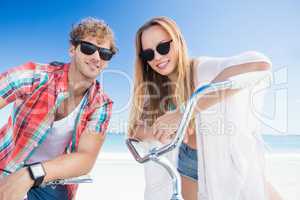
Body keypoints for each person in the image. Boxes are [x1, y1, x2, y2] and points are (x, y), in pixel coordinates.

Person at [128, 16, 282, 200]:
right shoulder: (157, 90)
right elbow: (135, 131)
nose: (158, 57)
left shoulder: (201, 68)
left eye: (163, 47)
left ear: (178, 41)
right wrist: (159, 133)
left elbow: (260, 64)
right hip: (185, 164)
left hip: (226, 160)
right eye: (148, 54)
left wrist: (183, 112)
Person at [0, 17, 117, 200]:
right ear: (72, 49)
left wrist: (31, 174)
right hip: (6, 162)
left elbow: (85, 158)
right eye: (88, 48)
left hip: (49, 176)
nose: (96, 57)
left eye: (105, 53)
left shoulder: (101, 104)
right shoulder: (36, 76)